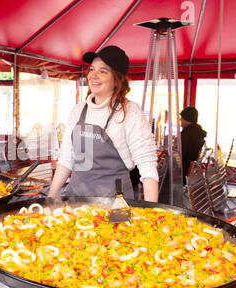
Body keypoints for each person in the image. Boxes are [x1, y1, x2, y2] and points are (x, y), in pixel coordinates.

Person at [47, 45, 159, 202]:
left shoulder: (130, 112)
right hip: (76, 200)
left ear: (117, 80)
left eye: (103, 71)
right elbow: (66, 160)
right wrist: (50, 199)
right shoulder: (78, 110)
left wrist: (151, 214)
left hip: (115, 204)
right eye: (92, 69)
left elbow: (148, 168)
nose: (93, 75)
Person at [180, 106, 207, 184]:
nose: (180, 119)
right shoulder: (197, 133)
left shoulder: (187, 135)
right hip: (190, 171)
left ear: (187, 119)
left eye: (182, 117)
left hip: (181, 172)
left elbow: (180, 156)